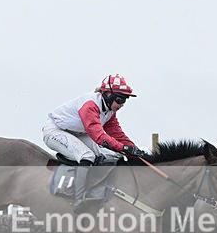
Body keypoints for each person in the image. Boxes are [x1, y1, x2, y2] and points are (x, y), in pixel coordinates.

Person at [42, 73, 145, 210]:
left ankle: (94, 188)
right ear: (108, 95)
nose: (122, 105)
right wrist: (124, 148)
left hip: (77, 133)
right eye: (120, 100)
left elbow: (117, 134)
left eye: (124, 101)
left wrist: (134, 149)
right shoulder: (90, 105)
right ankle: (79, 200)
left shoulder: (109, 112)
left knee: (113, 154)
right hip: (55, 131)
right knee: (87, 156)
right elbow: (99, 136)